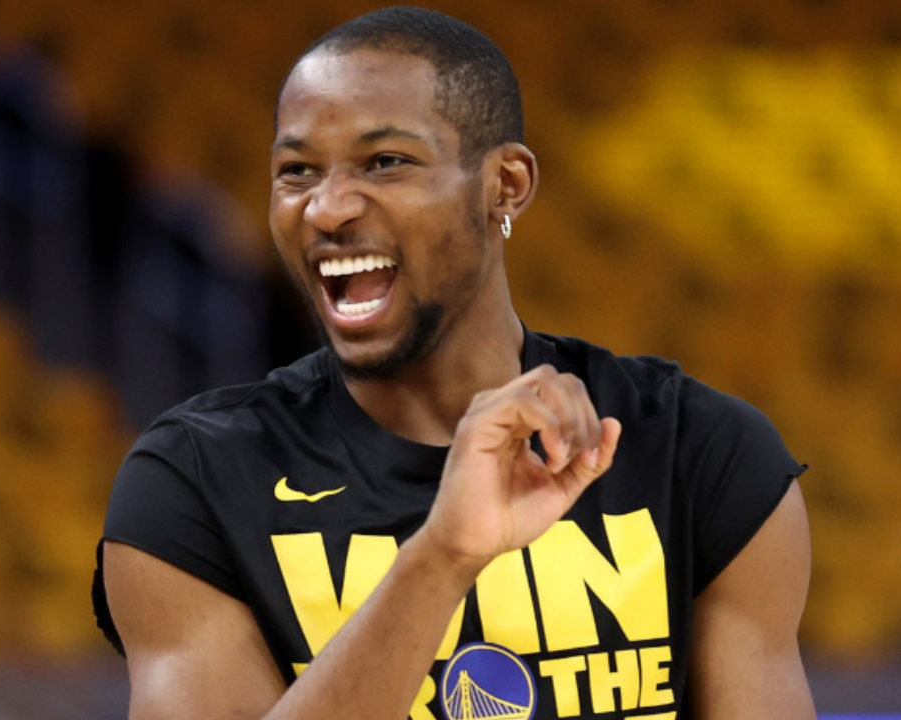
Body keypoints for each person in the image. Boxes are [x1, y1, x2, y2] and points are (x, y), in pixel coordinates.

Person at [92, 7, 815, 719]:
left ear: (505, 185)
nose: (327, 207)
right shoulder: (195, 483)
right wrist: (440, 560)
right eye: (297, 171)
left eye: (386, 162)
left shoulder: (697, 453)